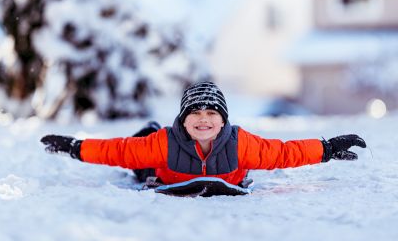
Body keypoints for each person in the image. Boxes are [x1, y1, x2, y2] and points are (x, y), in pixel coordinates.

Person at [40, 81, 367, 186]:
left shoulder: (240, 143)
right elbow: (118, 150)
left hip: (222, 172)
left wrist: (325, 149)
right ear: (183, 120)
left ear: (223, 121)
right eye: (194, 113)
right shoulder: (165, 142)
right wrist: (75, 146)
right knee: (138, 153)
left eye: (212, 113)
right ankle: (148, 128)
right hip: (159, 167)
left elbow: (281, 152)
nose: (203, 119)